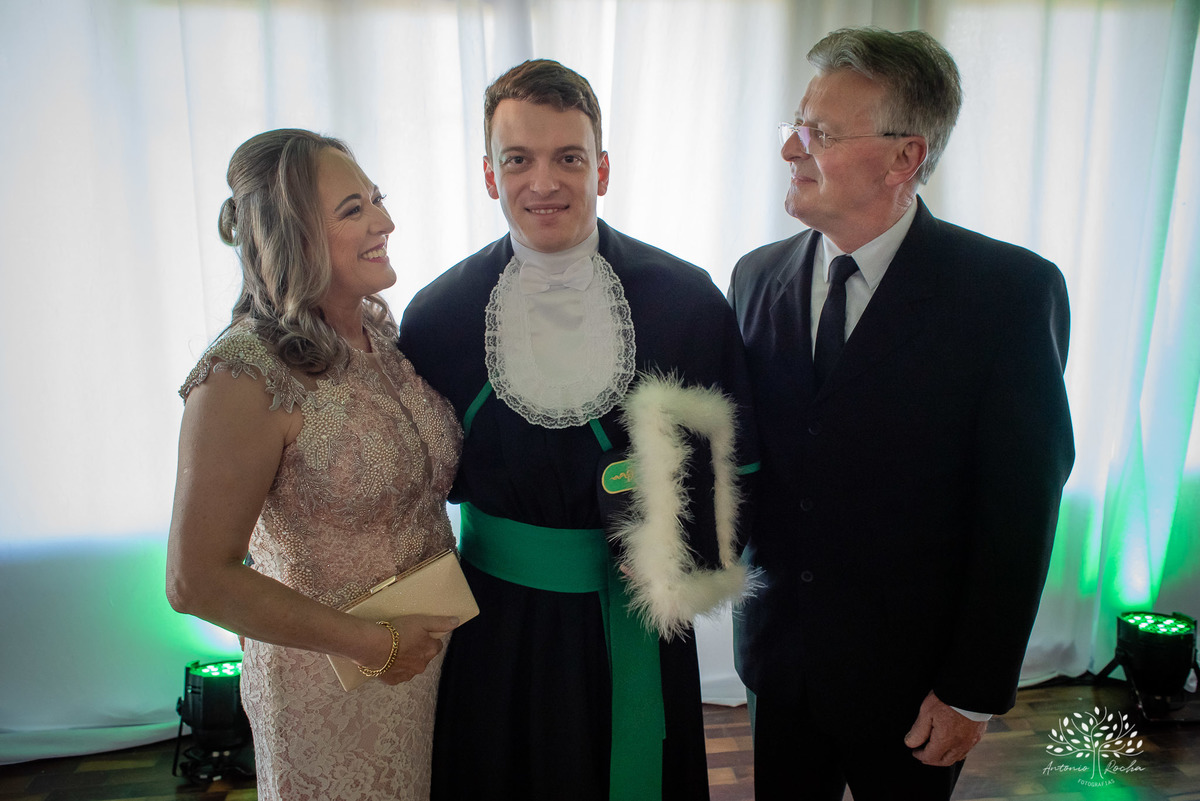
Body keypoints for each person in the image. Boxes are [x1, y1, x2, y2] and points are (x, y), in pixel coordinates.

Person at [728, 27, 1075, 801]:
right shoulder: (754, 276)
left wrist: (973, 689)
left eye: (817, 133)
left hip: (916, 688)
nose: (790, 149)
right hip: (779, 663)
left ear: (904, 158)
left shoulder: (1008, 295)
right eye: (794, 126)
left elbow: (1020, 509)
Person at [399, 59, 759, 801]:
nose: (545, 182)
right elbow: (420, 482)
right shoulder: (439, 317)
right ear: (490, 176)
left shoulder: (687, 300)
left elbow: (737, 464)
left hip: (639, 615)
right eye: (518, 160)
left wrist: (689, 561)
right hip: (497, 624)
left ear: (601, 167)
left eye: (568, 158)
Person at [166, 128, 463, 800]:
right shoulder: (240, 375)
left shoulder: (380, 338)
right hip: (329, 683)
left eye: (376, 201)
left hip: (428, 662)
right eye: (353, 209)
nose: (384, 222)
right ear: (291, 233)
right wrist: (371, 642)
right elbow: (195, 579)